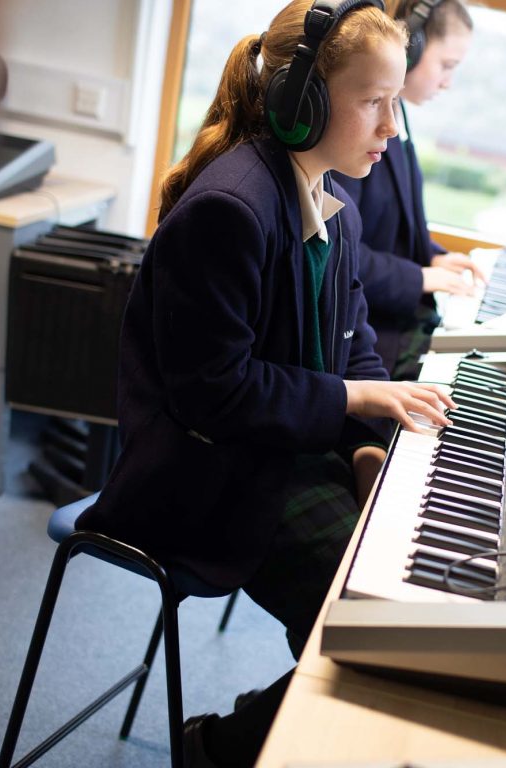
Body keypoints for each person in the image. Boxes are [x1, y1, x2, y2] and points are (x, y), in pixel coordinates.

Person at [75, 1, 455, 766]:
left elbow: (356, 357)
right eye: (373, 102)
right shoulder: (231, 210)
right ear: (302, 101)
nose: (391, 126)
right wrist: (354, 404)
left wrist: (363, 453)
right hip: (205, 480)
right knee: (376, 625)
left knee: (407, 600)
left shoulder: (333, 208)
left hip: (281, 459)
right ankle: (219, 747)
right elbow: (215, 391)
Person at [332, 0, 480, 380]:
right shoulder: (358, 133)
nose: (448, 81)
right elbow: (340, 248)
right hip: (367, 335)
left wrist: (431, 257)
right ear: (411, 48)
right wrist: (418, 278)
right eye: (446, 65)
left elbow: (392, 224)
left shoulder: (400, 119)